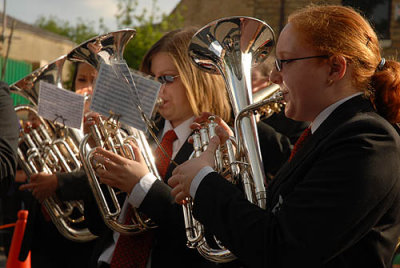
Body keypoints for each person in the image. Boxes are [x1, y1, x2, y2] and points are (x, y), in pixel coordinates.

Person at [168, 4, 400, 267]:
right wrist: (230, 162)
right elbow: (276, 220)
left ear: (335, 68)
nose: (274, 76)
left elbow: (282, 248)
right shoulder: (331, 132)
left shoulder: (369, 141)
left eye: (285, 61)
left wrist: (203, 181)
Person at [83, 27, 232, 268]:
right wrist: (100, 167)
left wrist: (141, 186)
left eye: (166, 79)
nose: (156, 90)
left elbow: (206, 237)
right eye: (152, 79)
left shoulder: (218, 141)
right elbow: (95, 224)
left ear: (197, 78)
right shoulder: (135, 133)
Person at [17, 62, 98, 268]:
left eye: (95, 81)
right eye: (81, 80)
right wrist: (30, 138)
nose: (87, 88)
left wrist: (58, 182)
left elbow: (105, 175)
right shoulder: (59, 116)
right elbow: (32, 163)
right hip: (46, 234)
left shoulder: (115, 125)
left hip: (87, 237)